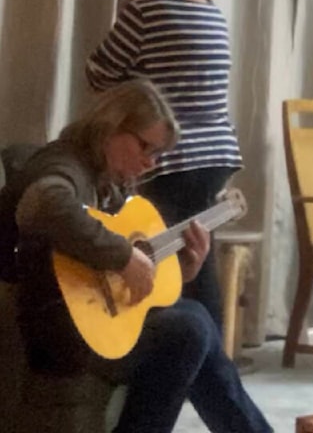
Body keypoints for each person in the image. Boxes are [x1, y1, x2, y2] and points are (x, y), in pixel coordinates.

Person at [10, 79, 271, 432]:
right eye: (145, 147)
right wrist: (122, 256)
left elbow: (120, 275)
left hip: (83, 316)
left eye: (156, 154)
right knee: (191, 327)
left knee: (193, 323)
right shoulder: (63, 164)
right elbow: (42, 204)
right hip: (47, 323)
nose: (149, 163)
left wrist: (184, 267)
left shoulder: (107, 183)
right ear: (110, 126)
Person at [86, 0, 244, 330]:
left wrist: (129, 7)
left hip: (172, 153)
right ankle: (209, 357)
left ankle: (195, 357)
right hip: (218, 152)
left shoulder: (143, 10)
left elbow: (98, 75)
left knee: (173, 263)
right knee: (197, 253)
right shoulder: (212, 10)